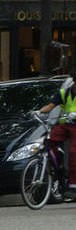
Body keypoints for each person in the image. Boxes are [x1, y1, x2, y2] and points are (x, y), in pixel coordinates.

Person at [38, 69, 76, 199]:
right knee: (49, 141)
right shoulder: (64, 93)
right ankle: (58, 167)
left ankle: (73, 185)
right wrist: (39, 112)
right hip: (65, 124)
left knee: (73, 153)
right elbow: (50, 105)